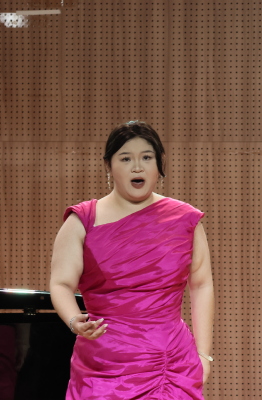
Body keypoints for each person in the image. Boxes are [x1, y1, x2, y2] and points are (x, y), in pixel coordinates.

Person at [49, 120, 215, 399]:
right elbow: (61, 284)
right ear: (109, 166)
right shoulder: (82, 221)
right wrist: (74, 320)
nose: (137, 167)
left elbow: (201, 285)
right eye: (126, 159)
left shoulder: (186, 219)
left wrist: (203, 355)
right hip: (103, 364)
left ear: (159, 164)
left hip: (171, 363)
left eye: (146, 158)